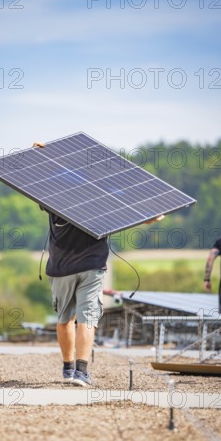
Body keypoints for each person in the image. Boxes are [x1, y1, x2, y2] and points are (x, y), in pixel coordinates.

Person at [33, 142, 164, 386]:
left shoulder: (55, 192)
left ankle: (70, 369)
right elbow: (138, 212)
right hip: (87, 265)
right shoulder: (106, 194)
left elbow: (36, 181)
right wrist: (153, 215)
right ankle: (80, 372)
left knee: (66, 320)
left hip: (64, 267)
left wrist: (44, 154)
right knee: (86, 318)